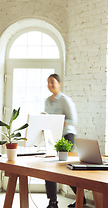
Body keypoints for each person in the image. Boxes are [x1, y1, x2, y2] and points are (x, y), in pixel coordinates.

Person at [44, 74, 83, 208]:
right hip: (53, 137)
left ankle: (80, 198)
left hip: (66, 137)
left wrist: (58, 122)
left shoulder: (65, 100)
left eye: (52, 82)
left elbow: (73, 120)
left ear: (59, 83)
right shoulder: (47, 101)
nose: (50, 85)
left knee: (65, 169)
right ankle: (53, 201)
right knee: (49, 167)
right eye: (48, 83)